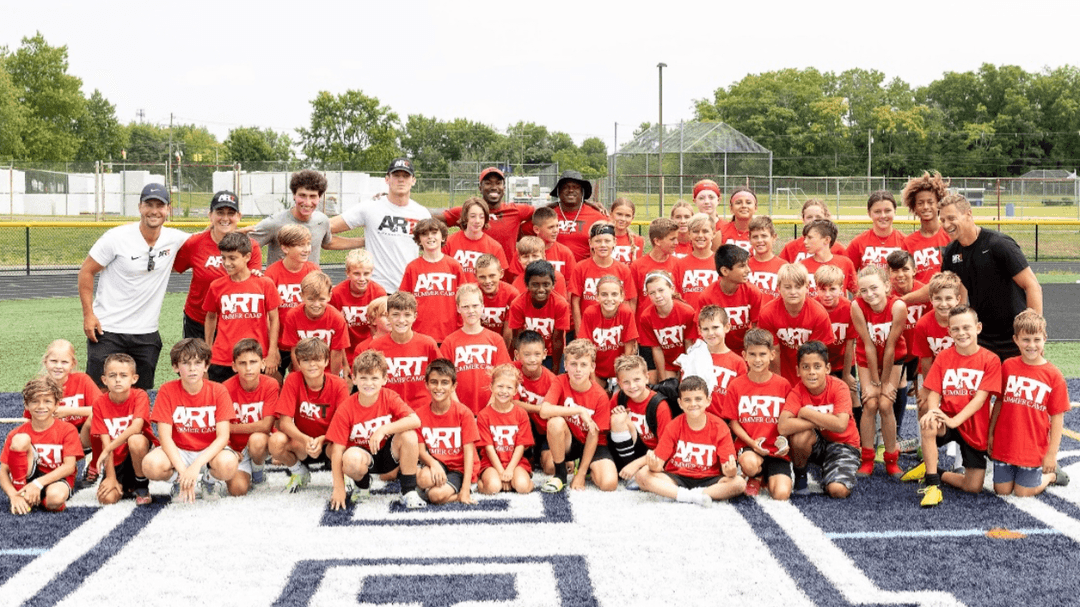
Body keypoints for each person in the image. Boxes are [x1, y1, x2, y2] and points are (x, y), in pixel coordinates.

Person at [78, 183, 191, 390]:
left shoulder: (175, 238)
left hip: (146, 332)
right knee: (99, 392)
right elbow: (86, 271)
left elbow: (208, 240)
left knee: (140, 394)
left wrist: (234, 231)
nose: (154, 211)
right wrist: (88, 314)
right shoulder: (116, 237)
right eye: (149, 205)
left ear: (168, 209)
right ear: (140, 207)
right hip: (108, 329)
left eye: (160, 205)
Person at [901, 306, 1001, 507]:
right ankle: (932, 485)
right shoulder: (944, 357)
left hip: (973, 426)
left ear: (978, 328)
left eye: (966, 327)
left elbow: (980, 399)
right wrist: (933, 411)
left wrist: (955, 420)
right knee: (928, 423)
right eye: (955, 329)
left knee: (973, 487)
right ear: (949, 332)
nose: (961, 333)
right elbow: (934, 391)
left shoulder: (990, 360)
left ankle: (936, 472)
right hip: (946, 419)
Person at [939, 193, 1043, 360]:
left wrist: (1033, 333)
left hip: (1014, 338)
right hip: (981, 338)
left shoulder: (998, 244)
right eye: (942, 220)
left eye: (951, 218)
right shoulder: (952, 252)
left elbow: (1032, 286)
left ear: (968, 214)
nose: (946, 225)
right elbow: (951, 291)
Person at [325, 350, 424, 510]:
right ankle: (362, 485)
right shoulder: (346, 408)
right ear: (354, 379)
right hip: (363, 457)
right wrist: (339, 487)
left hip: (388, 454)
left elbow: (415, 420)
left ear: (384, 379)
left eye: (374, 378)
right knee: (349, 458)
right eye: (363, 378)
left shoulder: (389, 396)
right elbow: (337, 451)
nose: (368, 383)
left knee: (409, 435)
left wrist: (383, 430)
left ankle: (409, 491)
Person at [142, 339, 237, 502]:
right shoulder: (167, 390)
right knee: (150, 465)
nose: (192, 368)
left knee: (228, 464)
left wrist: (195, 466)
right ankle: (180, 481)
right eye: (186, 363)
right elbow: (164, 437)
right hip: (179, 449)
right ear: (176, 367)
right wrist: (183, 471)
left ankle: (208, 482)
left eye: (198, 363)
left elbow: (223, 436)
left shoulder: (218, 390)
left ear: (206, 366)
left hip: (209, 450)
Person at [989, 309, 1070, 497]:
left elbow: (1057, 417)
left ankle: (1051, 476)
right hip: (1005, 442)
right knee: (1001, 490)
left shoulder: (1053, 375)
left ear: (1045, 339)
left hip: (1032, 445)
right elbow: (999, 402)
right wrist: (991, 434)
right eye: (1026, 340)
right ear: (1016, 339)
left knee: (1023, 492)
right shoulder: (1008, 366)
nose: (1031, 345)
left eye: (1036, 340)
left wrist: (1051, 454)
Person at [635, 375, 745, 505]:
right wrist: (654, 465)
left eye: (698, 399)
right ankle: (690, 496)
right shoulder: (674, 425)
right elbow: (659, 465)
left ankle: (688, 494)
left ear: (708, 400)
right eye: (687, 400)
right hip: (677, 477)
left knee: (739, 483)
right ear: (680, 403)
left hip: (709, 478)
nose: (693, 404)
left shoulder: (720, 427)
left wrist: (731, 471)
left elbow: (727, 470)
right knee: (642, 474)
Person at [328, 158, 431, 293]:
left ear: (413, 180)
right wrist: (363, 241)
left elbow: (432, 250)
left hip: (409, 290)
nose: (401, 180)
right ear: (387, 179)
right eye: (396, 175)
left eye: (406, 176)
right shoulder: (371, 207)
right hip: (376, 290)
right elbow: (327, 227)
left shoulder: (422, 213)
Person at [174, 190, 263, 340]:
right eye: (220, 212)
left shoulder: (250, 247)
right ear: (210, 215)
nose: (225, 218)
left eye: (231, 213)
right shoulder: (195, 243)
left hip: (234, 322)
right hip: (198, 321)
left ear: (239, 216)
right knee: (197, 356)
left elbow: (252, 286)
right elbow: (175, 268)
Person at [778, 341, 861, 498]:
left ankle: (833, 472)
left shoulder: (840, 387)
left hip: (843, 444)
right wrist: (820, 422)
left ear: (827, 368)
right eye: (806, 367)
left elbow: (840, 425)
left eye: (817, 366)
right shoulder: (797, 391)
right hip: (817, 443)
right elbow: (783, 426)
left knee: (838, 491)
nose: (811, 372)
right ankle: (801, 476)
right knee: (800, 435)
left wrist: (806, 412)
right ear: (798, 371)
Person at [268, 337, 348, 493]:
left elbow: (343, 425)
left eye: (317, 359)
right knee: (276, 441)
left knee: (345, 444)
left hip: (330, 442)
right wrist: (305, 439)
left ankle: (344, 476)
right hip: (303, 443)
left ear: (326, 361)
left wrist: (323, 439)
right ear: (298, 363)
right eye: (306, 360)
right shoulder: (293, 379)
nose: (312, 364)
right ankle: (299, 472)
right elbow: (284, 423)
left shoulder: (339, 384)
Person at [720, 328, 793, 499]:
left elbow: (788, 420)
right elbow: (733, 422)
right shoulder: (736, 385)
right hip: (749, 447)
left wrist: (784, 442)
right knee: (750, 464)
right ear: (744, 355)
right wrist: (752, 443)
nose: (757, 359)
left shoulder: (783, 385)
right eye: (752, 354)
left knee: (781, 495)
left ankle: (767, 476)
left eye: (762, 354)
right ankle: (755, 474)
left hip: (775, 450)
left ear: (772, 355)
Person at [538, 339, 618, 493]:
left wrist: (581, 474)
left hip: (592, 443)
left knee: (609, 484)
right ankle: (560, 475)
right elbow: (544, 411)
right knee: (555, 424)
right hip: (570, 440)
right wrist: (578, 410)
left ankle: (585, 467)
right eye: (573, 364)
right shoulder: (560, 381)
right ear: (565, 365)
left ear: (592, 367)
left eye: (583, 365)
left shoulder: (600, 396)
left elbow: (594, 435)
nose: (578, 370)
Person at [850, 265, 907, 478]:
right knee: (870, 403)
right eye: (864, 290)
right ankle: (867, 458)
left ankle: (891, 459)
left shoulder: (898, 306)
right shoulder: (857, 305)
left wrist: (884, 384)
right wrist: (874, 382)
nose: (869, 294)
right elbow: (868, 345)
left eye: (874, 288)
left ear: (886, 286)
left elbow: (890, 347)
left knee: (885, 404)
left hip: (894, 358)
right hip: (867, 357)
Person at [202, 232, 282, 384]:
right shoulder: (216, 286)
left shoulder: (264, 284)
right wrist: (208, 348)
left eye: (232, 258)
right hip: (223, 357)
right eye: (223, 258)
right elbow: (210, 317)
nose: (227, 263)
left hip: (256, 356)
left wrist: (272, 350)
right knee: (221, 396)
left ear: (247, 257)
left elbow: (274, 319)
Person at [1, 377, 81, 514]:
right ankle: (21, 494)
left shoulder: (67, 429)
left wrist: (38, 484)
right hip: (27, 477)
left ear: (56, 404)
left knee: (55, 498)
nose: (41, 406)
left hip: (56, 478)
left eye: (47, 401)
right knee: (20, 439)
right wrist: (13, 495)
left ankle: (38, 500)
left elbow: (69, 467)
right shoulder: (16, 432)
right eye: (35, 401)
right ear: (26, 405)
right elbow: (3, 471)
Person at [246, 169, 358, 267]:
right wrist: (254, 270)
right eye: (302, 195)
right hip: (282, 283)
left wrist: (364, 241)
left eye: (313, 196)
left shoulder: (322, 221)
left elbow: (327, 243)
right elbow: (243, 247)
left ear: (319, 198)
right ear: (294, 195)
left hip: (311, 282)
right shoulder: (275, 223)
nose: (307, 202)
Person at [434, 167, 535, 265]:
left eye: (498, 183)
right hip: (475, 271)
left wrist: (520, 232)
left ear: (504, 188)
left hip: (506, 272)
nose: (494, 187)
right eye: (488, 183)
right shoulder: (467, 211)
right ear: (480, 188)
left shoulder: (516, 211)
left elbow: (541, 217)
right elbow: (433, 222)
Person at [756, 264, 834, 387]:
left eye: (798, 287)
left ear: (807, 287)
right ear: (778, 288)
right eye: (787, 287)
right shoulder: (768, 313)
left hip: (809, 374)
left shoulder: (818, 314)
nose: (793, 292)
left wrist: (809, 385)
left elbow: (817, 354)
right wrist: (778, 383)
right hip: (781, 370)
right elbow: (773, 351)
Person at [90, 353, 154, 505]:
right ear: (104, 380)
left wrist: (108, 448)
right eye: (112, 375)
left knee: (135, 440)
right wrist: (111, 476)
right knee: (107, 499)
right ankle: (126, 486)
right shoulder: (99, 403)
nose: (118, 380)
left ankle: (141, 486)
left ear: (134, 379)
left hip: (137, 454)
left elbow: (136, 427)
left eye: (123, 375)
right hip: (115, 459)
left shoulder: (140, 396)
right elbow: (105, 441)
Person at [439, 284, 511, 414]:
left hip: (491, 409)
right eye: (465, 307)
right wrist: (461, 410)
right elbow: (445, 379)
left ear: (482, 306)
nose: (471, 310)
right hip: (459, 411)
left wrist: (489, 408)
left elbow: (503, 377)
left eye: (475, 305)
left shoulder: (496, 340)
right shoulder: (449, 342)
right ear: (458, 308)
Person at [415, 359, 479, 505]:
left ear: (453, 386)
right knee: (423, 479)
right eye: (434, 382)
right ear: (426, 384)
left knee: (436, 496)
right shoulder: (419, 414)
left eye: (444, 382)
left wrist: (465, 488)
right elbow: (421, 451)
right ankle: (433, 486)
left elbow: (469, 453)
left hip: (459, 468)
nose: (439, 387)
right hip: (439, 462)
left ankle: (462, 492)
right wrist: (433, 464)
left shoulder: (464, 413)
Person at [222, 339, 279, 494]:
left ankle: (258, 475)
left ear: (262, 363)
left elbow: (266, 426)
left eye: (253, 362)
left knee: (257, 439)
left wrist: (231, 428)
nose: (248, 368)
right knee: (237, 490)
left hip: (260, 444)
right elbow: (221, 428)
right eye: (242, 363)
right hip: (237, 448)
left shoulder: (271, 384)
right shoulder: (225, 388)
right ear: (234, 366)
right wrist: (228, 449)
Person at [400, 218, 470, 342]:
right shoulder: (412, 267)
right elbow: (404, 301)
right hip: (419, 333)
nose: (430, 237)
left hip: (449, 333)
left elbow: (464, 299)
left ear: (442, 237)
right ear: (419, 240)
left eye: (434, 233)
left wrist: (461, 326)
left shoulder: (454, 266)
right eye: (425, 234)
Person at [607, 355, 673, 485]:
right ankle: (629, 473)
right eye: (626, 382)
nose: (632, 386)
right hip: (629, 450)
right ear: (619, 383)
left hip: (653, 455)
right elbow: (604, 428)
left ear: (647, 377)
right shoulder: (620, 397)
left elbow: (666, 446)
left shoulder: (659, 405)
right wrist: (613, 416)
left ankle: (634, 471)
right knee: (617, 418)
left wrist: (636, 464)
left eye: (637, 379)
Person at [370, 291, 440, 410]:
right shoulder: (376, 347)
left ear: (415, 316)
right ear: (387, 315)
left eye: (407, 315)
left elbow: (442, 376)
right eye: (396, 314)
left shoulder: (428, 344)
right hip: (389, 410)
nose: (401, 320)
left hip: (422, 410)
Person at [477, 364, 535, 495]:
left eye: (509, 387)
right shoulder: (484, 415)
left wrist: (509, 470)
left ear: (515, 391)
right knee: (493, 487)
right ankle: (480, 485)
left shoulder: (521, 414)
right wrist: (501, 472)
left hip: (515, 462)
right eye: (500, 386)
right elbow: (488, 448)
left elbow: (520, 446)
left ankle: (529, 483)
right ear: (491, 387)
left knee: (522, 487)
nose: (504, 391)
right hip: (491, 463)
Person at [278, 272, 351, 378]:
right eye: (311, 299)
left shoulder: (337, 318)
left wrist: (331, 379)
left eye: (321, 299)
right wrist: (302, 378)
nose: (316, 304)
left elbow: (336, 353)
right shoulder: (293, 316)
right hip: (302, 370)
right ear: (302, 296)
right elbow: (294, 351)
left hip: (327, 371)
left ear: (329, 296)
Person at [570, 221, 636, 335]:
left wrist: (626, 330)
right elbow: (575, 302)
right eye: (598, 241)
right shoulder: (580, 268)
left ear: (614, 242)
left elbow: (629, 301)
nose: (603, 245)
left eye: (607, 241)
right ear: (590, 243)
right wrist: (580, 331)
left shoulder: (623, 269)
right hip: (589, 328)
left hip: (615, 330)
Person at [697, 244, 763, 356]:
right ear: (725, 271)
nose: (748, 270)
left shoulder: (753, 292)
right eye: (742, 266)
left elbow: (757, 327)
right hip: (716, 350)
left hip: (745, 350)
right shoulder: (707, 297)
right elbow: (702, 332)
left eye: (747, 265)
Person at [508, 260, 570, 372]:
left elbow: (557, 340)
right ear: (527, 285)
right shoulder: (518, 304)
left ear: (553, 284)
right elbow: (517, 338)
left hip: (551, 353)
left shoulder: (561, 305)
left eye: (546, 284)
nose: (541, 289)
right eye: (535, 285)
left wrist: (555, 370)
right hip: (527, 352)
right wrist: (518, 363)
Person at [511, 330, 558, 474]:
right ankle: (526, 455)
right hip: (521, 427)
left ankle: (539, 455)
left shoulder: (552, 380)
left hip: (544, 430)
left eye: (537, 354)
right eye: (527, 354)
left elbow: (552, 412)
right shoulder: (511, 370)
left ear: (544, 354)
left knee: (551, 468)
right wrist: (539, 408)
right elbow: (511, 403)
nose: (532, 359)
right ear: (517, 355)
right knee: (513, 412)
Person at [637, 271, 698, 381]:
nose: (657, 296)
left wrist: (687, 370)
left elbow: (689, 344)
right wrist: (663, 379)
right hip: (667, 363)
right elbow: (656, 349)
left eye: (661, 290)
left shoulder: (687, 312)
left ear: (672, 289)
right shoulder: (646, 317)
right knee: (667, 386)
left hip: (685, 359)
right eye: (652, 293)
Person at [41, 340, 98, 457]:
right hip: (54, 437)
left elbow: (102, 409)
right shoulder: (39, 386)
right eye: (53, 361)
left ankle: (92, 456)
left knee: (96, 417)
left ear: (72, 364)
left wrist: (69, 411)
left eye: (64, 362)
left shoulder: (82, 380)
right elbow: (29, 419)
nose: (58, 366)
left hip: (82, 434)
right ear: (45, 362)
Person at [580, 275, 639, 387]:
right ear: (597, 297)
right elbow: (586, 350)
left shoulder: (626, 312)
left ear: (622, 297)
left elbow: (629, 350)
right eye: (604, 294)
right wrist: (593, 380)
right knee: (595, 393)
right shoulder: (590, 313)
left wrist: (622, 376)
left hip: (620, 369)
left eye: (614, 294)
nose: (609, 299)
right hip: (596, 369)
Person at [330, 249, 387, 353]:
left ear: (372, 272)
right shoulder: (337, 294)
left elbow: (381, 327)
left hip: (370, 347)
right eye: (356, 274)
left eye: (366, 273)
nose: (362, 278)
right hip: (345, 347)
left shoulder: (378, 293)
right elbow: (333, 327)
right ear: (347, 273)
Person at [901, 171, 951, 284]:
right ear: (914, 207)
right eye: (920, 203)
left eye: (930, 202)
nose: (925, 207)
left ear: (938, 204)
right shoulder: (908, 243)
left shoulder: (950, 236)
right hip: (919, 295)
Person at [547, 170, 609, 259]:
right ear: (559, 192)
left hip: (585, 267)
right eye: (566, 187)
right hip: (553, 267)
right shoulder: (547, 215)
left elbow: (615, 237)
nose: (571, 190)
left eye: (575, 187)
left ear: (582, 192)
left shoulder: (597, 216)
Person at [443, 197, 509, 275]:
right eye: (473, 216)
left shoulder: (495, 247)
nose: (477, 221)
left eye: (481, 217)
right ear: (465, 217)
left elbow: (500, 277)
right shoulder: (449, 242)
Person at [845, 190, 905, 272]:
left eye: (887, 211)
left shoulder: (905, 242)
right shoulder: (858, 243)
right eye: (877, 211)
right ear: (869, 213)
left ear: (894, 211)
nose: (883, 216)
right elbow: (847, 273)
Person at [799, 219, 857, 296]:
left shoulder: (845, 263)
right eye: (805, 238)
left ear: (826, 240)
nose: (805, 242)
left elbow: (857, 292)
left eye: (810, 238)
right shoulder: (801, 266)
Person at [629, 218, 680, 302]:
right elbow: (632, 300)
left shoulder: (678, 264)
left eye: (676, 239)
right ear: (657, 241)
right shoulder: (637, 266)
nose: (676, 243)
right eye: (672, 239)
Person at [780, 199, 847, 263]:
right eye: (809, 217)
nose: (814, 220)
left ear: (826, 218)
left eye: (818, 217)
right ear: (803, 219)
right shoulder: (791, 247)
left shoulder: (838, 249)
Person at [475, 254, 519, 350]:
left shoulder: (511, 294)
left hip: (505, 345)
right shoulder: (472, 293)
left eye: (492, 276)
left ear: (501, 273)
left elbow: (509, 331)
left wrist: (501, 353)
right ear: (475, 276)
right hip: (479, 345)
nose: (487, 281)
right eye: (482, 277)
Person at [528, 206, 577, 277]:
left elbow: (572, 281)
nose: (556, 230)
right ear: (536, 230)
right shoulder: (525, 252)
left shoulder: (565, 253)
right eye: (551, 227)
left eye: (557, 226)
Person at [746, 216, 783, 300]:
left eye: (764, 236)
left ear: (774, 237)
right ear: (749, 239)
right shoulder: (744, 266)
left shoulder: (783, 267)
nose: (759, 240)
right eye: (755, 237)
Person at [714, 186, 757, 253]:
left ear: (755, 208)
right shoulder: (721, 233)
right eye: (738, 203)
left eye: (748, 202)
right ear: (731, 208)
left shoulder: (762, 233)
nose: (744, 206)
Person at [610, 197, 644, 264]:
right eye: (619, 214)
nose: (623, 219)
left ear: (632, 218)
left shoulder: (637, 240)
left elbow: (637, 267)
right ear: (611, 214)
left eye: (627, 216)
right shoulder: (602, 238)